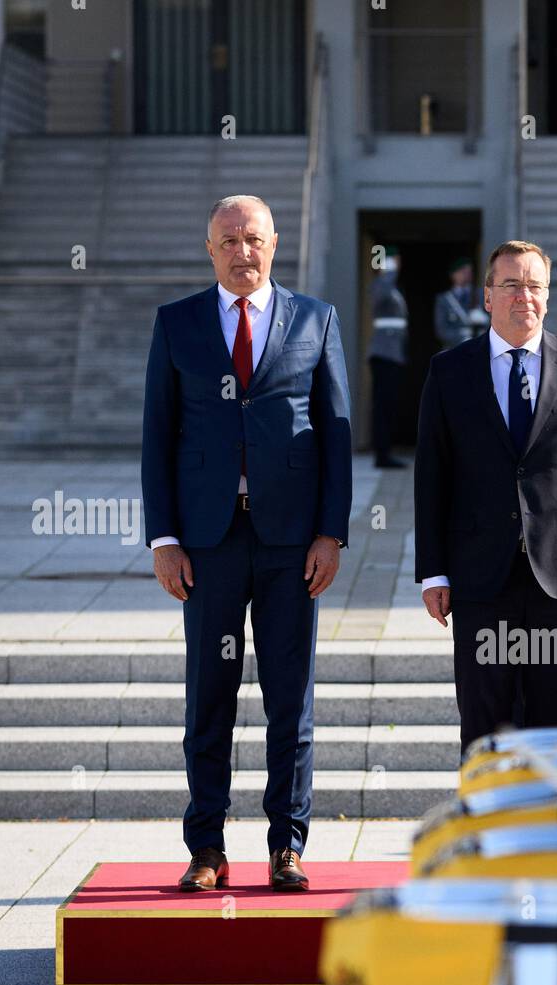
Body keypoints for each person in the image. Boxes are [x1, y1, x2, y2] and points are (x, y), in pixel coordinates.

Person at [141, 195, 352, 893]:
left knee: (290, 699)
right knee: (210, 696)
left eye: (252, 238)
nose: (241, 250)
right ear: (209, 248)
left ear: (274, 244)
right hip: (206, 543)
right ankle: (206, 847)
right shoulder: (177, 324)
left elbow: (337, 434)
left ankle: (286, 846)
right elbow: (157, 438)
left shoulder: (316, 320)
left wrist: (331, 532)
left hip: (292, 544)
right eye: (227, 239)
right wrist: (164, 538)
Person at [414, 239, 557, 754]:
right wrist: (434, 571)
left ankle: (556, 834)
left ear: (548, 296)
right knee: (486, 731)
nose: (523, 296)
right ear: (487, 296)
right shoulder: (449, 372)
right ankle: (488, 831)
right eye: (509, 284)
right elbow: (431, 476)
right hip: (479, 579)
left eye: (534, 285)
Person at [368, 247, 408, 470]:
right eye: (394, 261)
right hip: (383, 352)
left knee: (389, 405)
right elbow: (380, 295)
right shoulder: (382, 283)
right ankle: (382, 454)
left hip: (393, 352)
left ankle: (386, 451)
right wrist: (388, 268)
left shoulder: (391, 285)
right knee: (382, 406)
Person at [434, 256, 488, 349]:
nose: (467, 274)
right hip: (454, 349)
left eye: (469, 271)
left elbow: (495, 322)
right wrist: (462, 336)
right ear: (453, 275)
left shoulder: (481, 294)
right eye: (463, 271)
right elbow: (441, 330)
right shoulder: (444, 299)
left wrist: (485, 320)